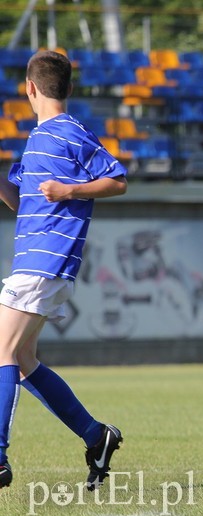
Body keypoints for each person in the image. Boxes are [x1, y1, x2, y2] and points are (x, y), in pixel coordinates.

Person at [0, 50, 128, 491]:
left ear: (30, 89)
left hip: (46, 259)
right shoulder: (37, 141)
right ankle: (97, 436)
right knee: (21, 361)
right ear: (69, 88)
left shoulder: (69, 132)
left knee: (1, 351)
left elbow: (117, 179)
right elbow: (22, 202)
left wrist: (70, 188)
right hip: (38, 262)